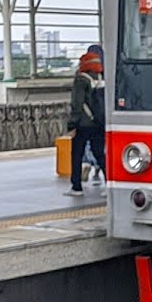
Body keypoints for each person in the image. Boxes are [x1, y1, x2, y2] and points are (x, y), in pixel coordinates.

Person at [65, 50, 107, 196]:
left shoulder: (81, 79)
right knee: (100, 153)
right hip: (100, 122)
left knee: (77, 154)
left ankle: (76, 187)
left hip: (83, 124)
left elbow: (77, 104)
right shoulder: (102, 78)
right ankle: (109, 183)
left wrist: (72, 125)